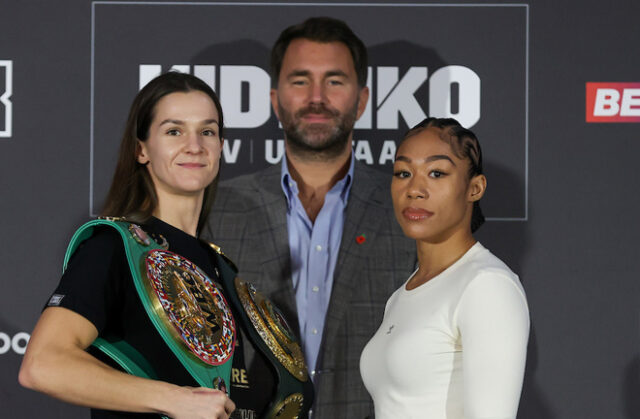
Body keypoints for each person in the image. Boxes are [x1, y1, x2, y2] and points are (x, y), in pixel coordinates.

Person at [203, 17, 416, 418]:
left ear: (363, 99)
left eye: (334, 81)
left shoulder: (407, 209)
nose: (316, 97)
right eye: (300, 81)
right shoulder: (218, 209)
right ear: (274, 98)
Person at [18, 72, 237, 418]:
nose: (195, 145)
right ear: (141, 149)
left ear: (221, 147)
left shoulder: (218, 265)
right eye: (174, 131)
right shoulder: (115, 247)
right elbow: (43, 363)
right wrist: (174, 399)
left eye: (207, 131)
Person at [359, 117, 530, 419]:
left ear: (474, 188)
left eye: (436, 173)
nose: (414, 189)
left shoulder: (486, 285)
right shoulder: (402, 295)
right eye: (403, 173)